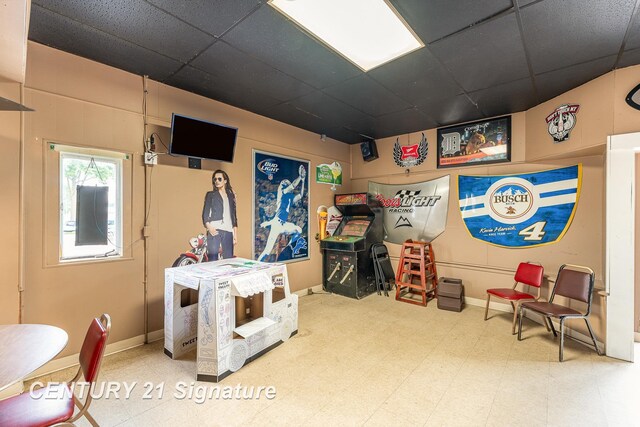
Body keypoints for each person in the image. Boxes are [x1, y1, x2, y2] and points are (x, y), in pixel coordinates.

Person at [258, 165, 307, 262]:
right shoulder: (282, 193)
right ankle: (257, 265)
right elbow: (293, 185)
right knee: (267, 251)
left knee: (299, 230)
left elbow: (300, 195)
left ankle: (288, 249)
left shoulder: (289, 198)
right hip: (277, 223)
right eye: (285, 183)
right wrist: (300, 177)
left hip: (283, 224)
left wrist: (303, 180)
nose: (286, 183)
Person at [202, 170, 237, 261]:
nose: (216, 181)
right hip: (215, 229)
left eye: (219, 179)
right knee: (213, 260)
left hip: (228, 231)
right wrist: (209, 227)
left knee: (228, 260)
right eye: (215, 179)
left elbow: (234, 216)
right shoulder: (211, 195)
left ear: (225, 181)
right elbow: (205, 213)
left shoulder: (231, 196)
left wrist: (235, 235)